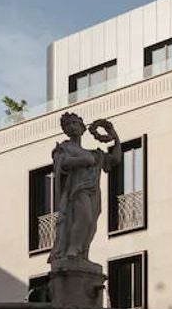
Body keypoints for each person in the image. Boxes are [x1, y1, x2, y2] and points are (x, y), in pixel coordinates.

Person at [50, 113, 122, 264]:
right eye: (68, 125)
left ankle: (82, 254)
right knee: (85, 217)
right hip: (77, 189)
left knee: (91, 224)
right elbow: (61, 164)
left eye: (74, 123)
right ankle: (72, 249)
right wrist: (82, 160)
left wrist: (115, 137)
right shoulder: (65, 147)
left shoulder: (94, 154)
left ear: (83, 127)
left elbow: (115, 159)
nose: (72, 127)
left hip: (94, 191)